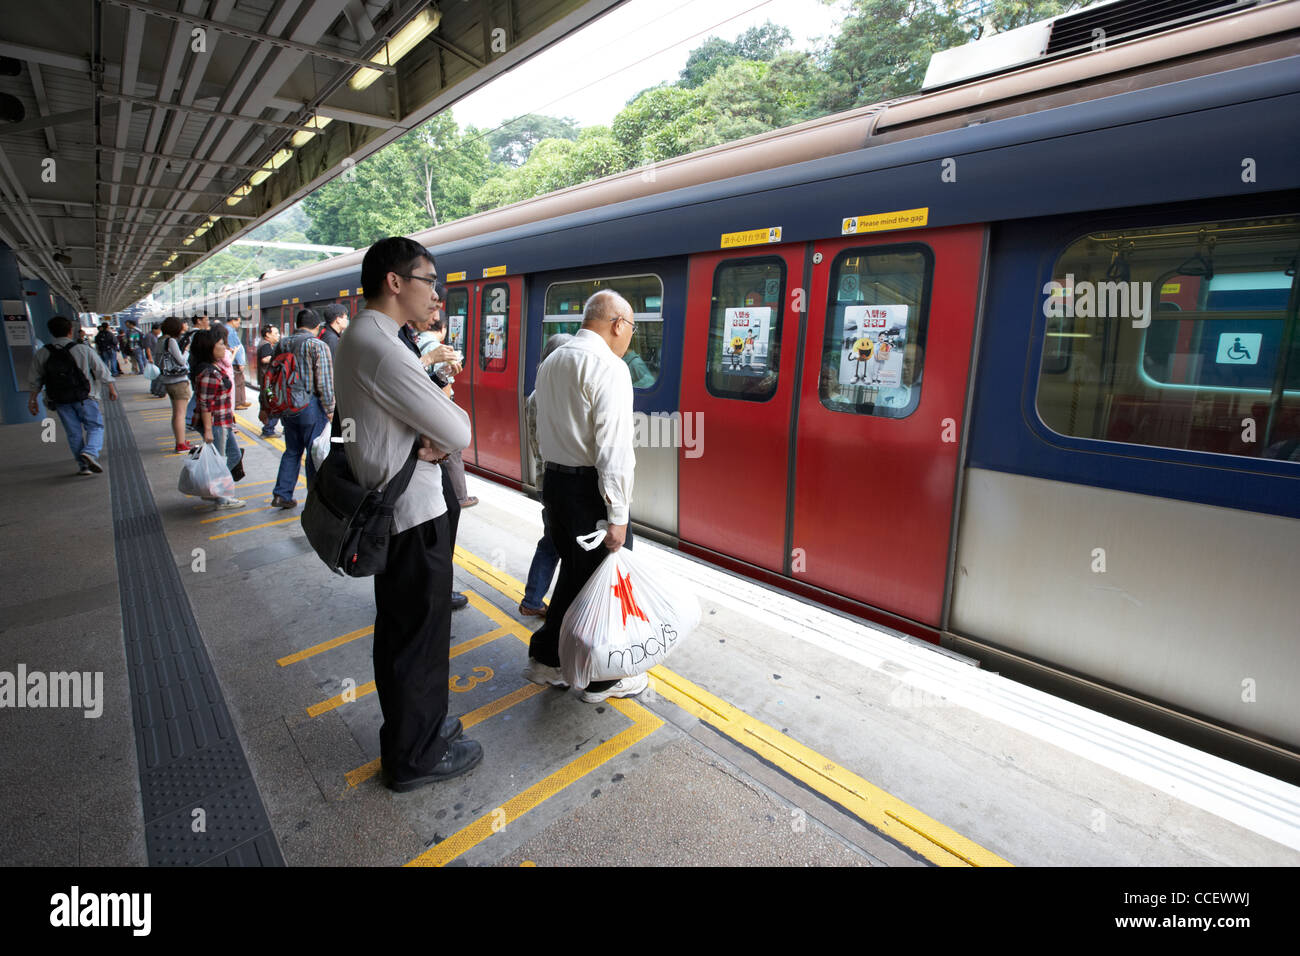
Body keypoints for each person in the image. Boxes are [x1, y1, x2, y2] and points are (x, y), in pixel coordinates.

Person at [334, 235, 479, 792]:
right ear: (395, 282)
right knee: (418, 634)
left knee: (404, 629)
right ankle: (415, 757)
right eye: (429, 281)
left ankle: (418, 729)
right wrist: (435, 431)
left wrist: (426, 431)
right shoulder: (385, 345)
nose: (437, 295)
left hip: (396, 509)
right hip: (412, 514)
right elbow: (459, 430)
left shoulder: (369, 336)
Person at [527, 290, 645, 703]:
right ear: (617, 324)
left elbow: (541, 429)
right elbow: (614, 449)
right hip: (590, 491)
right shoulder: (609, 367)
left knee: (574, 578)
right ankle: (602, 680)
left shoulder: (552, 362)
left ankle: (547, 660)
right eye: (632, 328)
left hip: (557, 488)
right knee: (605, 585)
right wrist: (617, 514)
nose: (630, 337)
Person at [397, 286, 471, 613]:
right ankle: (429, 593)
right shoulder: (392, 339)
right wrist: (430, 359)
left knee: (445, 514)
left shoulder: (403, 336)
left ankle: (434, 589)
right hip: (406, 454)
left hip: (419, 449)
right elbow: (397, 381)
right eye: (433, 305)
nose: (437, 315)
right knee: (431, 523)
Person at [519, 333, 573, 617]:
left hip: (544, 479)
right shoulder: (557, 396)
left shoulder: (537, 393)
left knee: (552, 539)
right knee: (556, 542)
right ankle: (533, 600)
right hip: (558, 482)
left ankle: (533, 598)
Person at [27, 315, 118, 476]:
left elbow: (36, 379)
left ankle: (83, 466)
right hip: (86, 397)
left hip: (60, 399)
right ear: (71, 331)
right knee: (95, 427)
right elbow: (101, 371)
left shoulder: (42, 353)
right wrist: (111, 388)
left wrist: (33, 399)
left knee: (73, 433)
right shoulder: (83, 349)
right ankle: (90, 452)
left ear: (51, 332)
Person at [270, 309, 334, 509]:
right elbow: (324, 382)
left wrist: (268, 407)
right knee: (314, 453)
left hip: (287, 406)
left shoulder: (282, 343)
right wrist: (330, 409)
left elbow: (271, 375)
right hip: (310, 407)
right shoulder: (317, 345)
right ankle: (315, 498)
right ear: (317, 326)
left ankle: (282, 494)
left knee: (292, 450)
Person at [190, 329, 245, 510]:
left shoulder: (213, 367)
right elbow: (205, 403)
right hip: (216, 424)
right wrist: (207, 430)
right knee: (220, 460)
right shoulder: (208, 372)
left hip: (223, 421)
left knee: (233, 455)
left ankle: (216, 489)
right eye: (221, 344)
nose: (225, 347)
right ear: (209, 348)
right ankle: (220, 496)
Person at [157, 316, 193, 452]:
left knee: (176, 413)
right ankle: (180, 444)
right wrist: (187, 350)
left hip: (167, 380)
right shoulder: (170, 340)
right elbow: (181, 361)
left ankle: (181, 440)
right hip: (178, 381)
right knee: (180, 414)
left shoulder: (159, 340)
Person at [256, 323, 281, 437]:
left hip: (267, 381)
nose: (278, 335)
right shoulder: (266, 345)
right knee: (274, 403)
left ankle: (269, 428)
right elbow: (265, 359)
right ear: (267, 335)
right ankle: (268, 429)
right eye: (275, 333)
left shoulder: (264, 343)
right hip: (269, 382)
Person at [226, 315, 251, 408]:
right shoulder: (230, 331)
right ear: (232, 321)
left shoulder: (229, 330)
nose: (239, 324)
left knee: (240, 381)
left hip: (236, 361)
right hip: (235, 362)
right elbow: (235, 348)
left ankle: (242, 400)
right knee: (237, 382)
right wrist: (240, 362)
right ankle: (237, 403)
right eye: (238, 322)